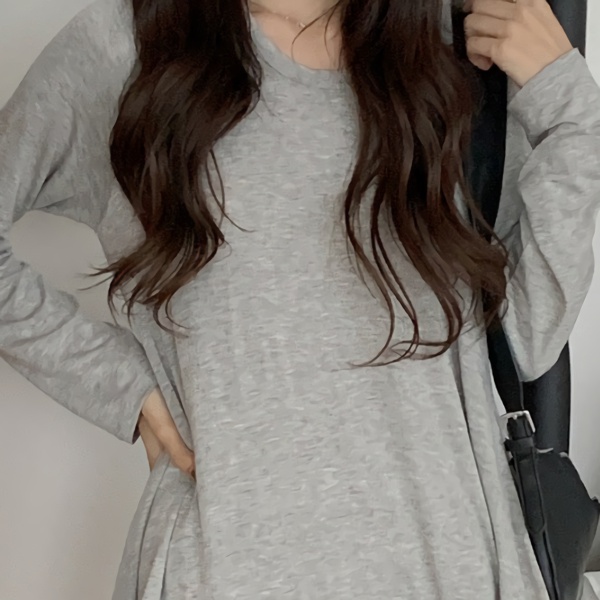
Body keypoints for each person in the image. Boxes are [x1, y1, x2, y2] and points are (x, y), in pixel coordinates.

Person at [1, 0, 599, 597]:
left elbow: (523, 339)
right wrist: (124, 387)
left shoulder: (451, 49)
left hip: (459, 567)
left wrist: (570, 111)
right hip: (232, 569)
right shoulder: (133, 48)